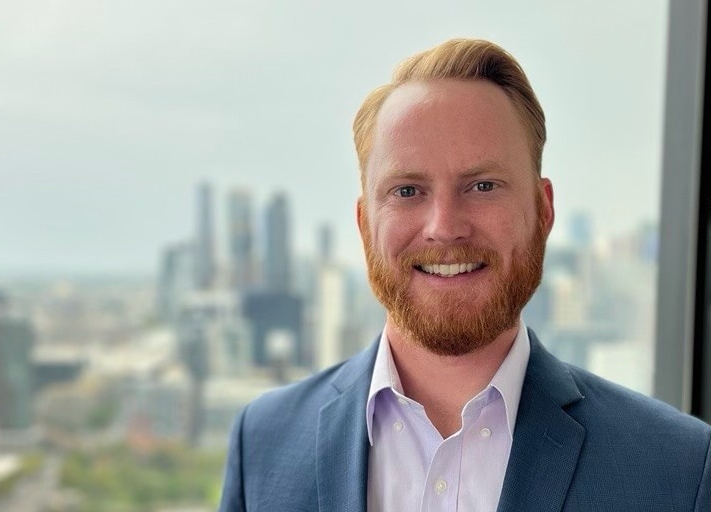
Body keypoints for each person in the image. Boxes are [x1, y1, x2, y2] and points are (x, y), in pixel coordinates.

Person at [219, 38, 711, 511]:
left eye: (482, 185)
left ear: (543, 212)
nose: (445, 227)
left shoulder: (679, 469)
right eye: (408, 191)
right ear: (366, 225)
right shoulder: (262, 444)